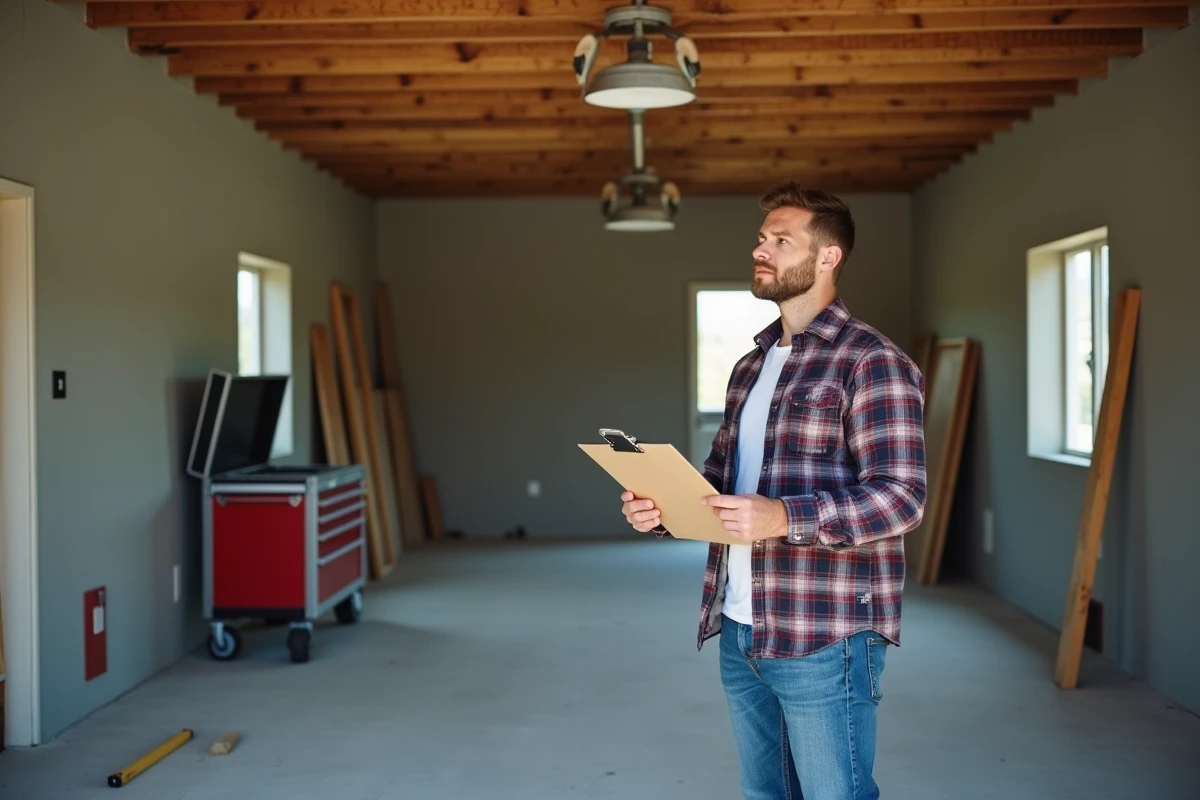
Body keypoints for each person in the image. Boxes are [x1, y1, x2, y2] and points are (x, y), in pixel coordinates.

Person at [620, 182, 927, 800]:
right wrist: (662, 509)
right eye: (762, 238)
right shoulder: (750, 368)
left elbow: (902, 498)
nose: (761, 250)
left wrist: (784, 517)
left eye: (782, 240)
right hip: (741, 628)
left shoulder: (871, 360)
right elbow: (721, 483)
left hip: (826, 634)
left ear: (828, 256)